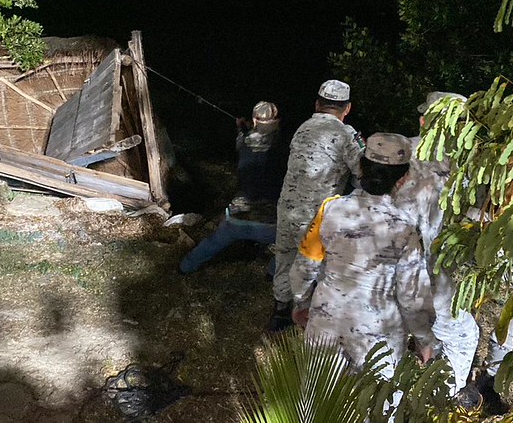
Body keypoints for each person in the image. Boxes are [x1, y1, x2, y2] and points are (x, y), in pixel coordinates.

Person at [289, 132, 433, 381]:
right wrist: (423, 338)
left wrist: (301, 301)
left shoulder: (331, 209)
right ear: (403, 178)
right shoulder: (405, 228)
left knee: (319, 400)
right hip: (379, 333)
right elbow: (412, 295)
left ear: (361, 167)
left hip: (327, 320)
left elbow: (305, 265)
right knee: (376, 406)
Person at [394, 91, 481, 396]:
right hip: (428, 274)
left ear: (422, 121)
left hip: (379, 266)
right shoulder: (466, 166)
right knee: (465, 335)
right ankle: (445, 399)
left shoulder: (398, 151)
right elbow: (475, 214)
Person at [269, 79, 365, 332]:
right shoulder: (346, 135)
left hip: (288, 208)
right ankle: (304, 316)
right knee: (315, 266)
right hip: (318, 216)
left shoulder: (302, 128)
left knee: (285, 257)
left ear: (317, 104)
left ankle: (280, 311)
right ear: (347, 108)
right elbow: (363, 173)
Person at [178, 101, 286, 275]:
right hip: (270, 223)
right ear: (276, 122)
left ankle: (186, 266)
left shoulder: (244, 142)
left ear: (254, 120)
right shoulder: (282, 146)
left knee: (214, 241)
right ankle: (272, 273)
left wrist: (242, 127)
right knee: (292, 244)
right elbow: (271, 140)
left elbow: (247, 139)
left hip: (238, 217)